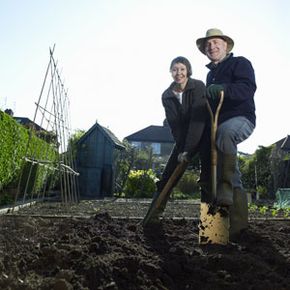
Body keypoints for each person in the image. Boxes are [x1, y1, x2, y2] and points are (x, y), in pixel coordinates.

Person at [196, 28, 256, 238]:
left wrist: (223, 89)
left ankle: (224, 188)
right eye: (207, 45)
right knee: (218, 169)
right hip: (217, 127)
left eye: (215, 42)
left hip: (241, 119)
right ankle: (225, 230)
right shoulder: (210, 74)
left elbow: (247, 89)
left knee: (225, 134)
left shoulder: (240, 63)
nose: (212, 47)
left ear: (225, 45)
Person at [150, 56, 208, 221]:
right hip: (183, 140)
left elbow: (197, 121)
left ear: (188, 70)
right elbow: (175, 125)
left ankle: (211, 220)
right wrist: (182, 149)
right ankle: (154, 213)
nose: (179, 73)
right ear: (170, 72)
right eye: (175, 69)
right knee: (168, 175)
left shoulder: (198, 86)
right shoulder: (167, 95)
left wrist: (188, 150)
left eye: (182, 69)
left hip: (203, 135)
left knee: (209, 175)